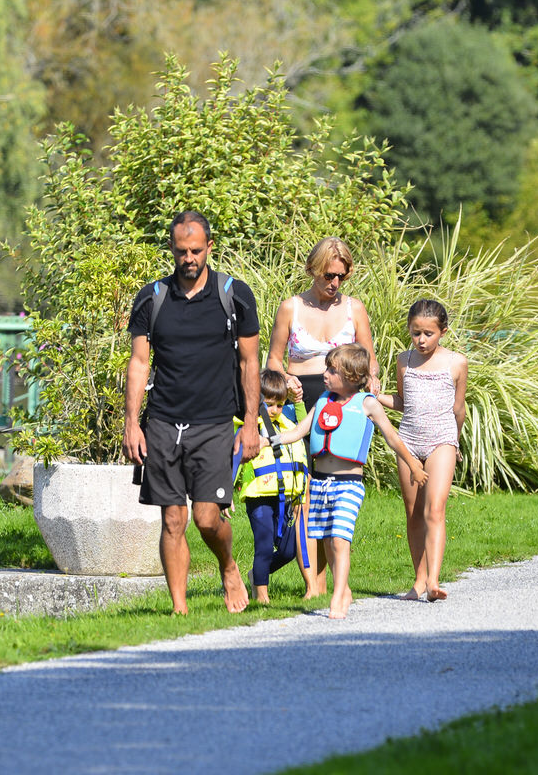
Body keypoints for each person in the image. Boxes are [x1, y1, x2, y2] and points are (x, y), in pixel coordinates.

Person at [124, 211, 262, 614]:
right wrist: (132, 423)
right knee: (172, 520)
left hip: (215, 423)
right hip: (164, 421)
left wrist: (250, 424)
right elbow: (138, 362)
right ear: (172, 248)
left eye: (196, 251)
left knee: (205, 518)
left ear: (209, 248)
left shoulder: (234, 295)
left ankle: (228, 565)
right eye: (182, 251)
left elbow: (249, 363)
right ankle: (178, 611)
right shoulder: (152, 298)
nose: (189, 258)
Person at [273, 343, 425, 619]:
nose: (325, 374)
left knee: (341, 540)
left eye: (332, 370)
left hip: (348, 485)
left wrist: (413, 464)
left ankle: (338, 596)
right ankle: (342, 590)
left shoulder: (367, 404)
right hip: (319, 483)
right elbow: (299, 431)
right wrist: (269, 440)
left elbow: (392, 437)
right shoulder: (322, 402)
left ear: (352, 377)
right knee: (329, 540)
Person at [379, 298, 467, 602]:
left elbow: (459, 408)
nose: (421, 340)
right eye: (416, 333)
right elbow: (402, 402)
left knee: (435, 509)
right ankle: (418, 581)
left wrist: (455, 441)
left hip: (442, 439)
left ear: (442, 331)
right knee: (413, 512)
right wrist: (375, 396)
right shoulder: (404, 361)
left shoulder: (456, 363)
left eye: (428, 333)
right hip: (409, 440)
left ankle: (433, 580)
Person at [267, 237, 376, 410]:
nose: (335, 283)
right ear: (313, 270)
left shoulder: (354, 308)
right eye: (329, 276)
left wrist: (372, 377)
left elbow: (370, 360)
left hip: (344, 399)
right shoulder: (290, 307)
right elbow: (273, 360)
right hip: (300, 397)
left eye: (341, 277)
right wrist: (287, 379)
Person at [236, 368, 308, 606]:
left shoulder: (287, 424)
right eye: (269, 405)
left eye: (280, 405)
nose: (275, 410)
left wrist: (297, 401)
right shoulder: (250, 427)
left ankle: (257, 575)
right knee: (264, 545)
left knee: (289, 550)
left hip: (285, 497)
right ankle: (262, 596)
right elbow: (235, 459)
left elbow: (303, 423)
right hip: (260, 497)